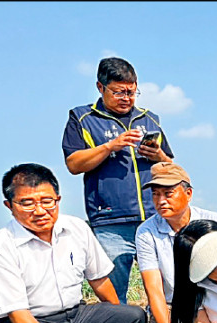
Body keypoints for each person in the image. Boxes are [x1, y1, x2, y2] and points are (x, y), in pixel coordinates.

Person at [0, 163, 147, 323]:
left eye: (46, 201)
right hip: (25, 322)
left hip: (74, 316)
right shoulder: (0, 246)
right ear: (9, 206)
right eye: (27, 203)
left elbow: (99, 279)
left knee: (133, 316)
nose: (39, 211)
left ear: (57, 199)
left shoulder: (76, 228)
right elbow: (17, 312)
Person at [62, 57, 174, 304]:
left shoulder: (150, 119)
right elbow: (74, 164)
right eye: (119, 92)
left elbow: (170, 166)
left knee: (169, 287)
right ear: (100, 88)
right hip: (111, 221)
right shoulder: (82, 118)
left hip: (156, 218)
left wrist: (159, 156)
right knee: (114, 293)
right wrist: (110, 146)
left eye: (132, 92)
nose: (127, 98)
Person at [135, 162, 217, 323]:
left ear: (188, 193)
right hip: (173, 307)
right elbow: (155, 291)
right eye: (155, 195)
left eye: (168, 194)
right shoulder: (146, 232)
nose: (161, 201)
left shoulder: (212, 221)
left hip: (212, 301)